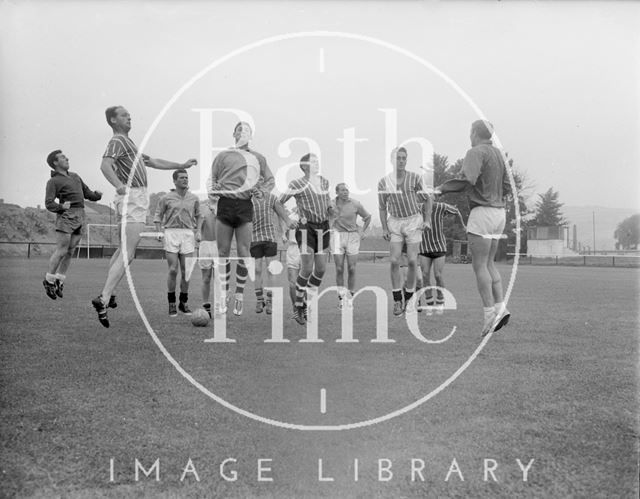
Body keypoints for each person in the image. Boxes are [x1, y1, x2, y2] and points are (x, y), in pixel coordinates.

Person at [91, 106, 197, 328]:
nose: (129, 117)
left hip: (135, 199)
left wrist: (181, 165)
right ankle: (104, 298)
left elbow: (153, 161)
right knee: (128, 253)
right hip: (133, 198)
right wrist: (119, 185)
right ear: (112, 120)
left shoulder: (129, 143)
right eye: (123, 115)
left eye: (130, 114)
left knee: (123, 250)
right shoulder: (118, 141)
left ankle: (108, 295)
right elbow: (105, 165)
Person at [435, 119, 511, 336]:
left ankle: (489, 315)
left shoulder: (476, 152)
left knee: (479, 266)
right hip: (499, 213)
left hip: (482, 213)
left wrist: (441, 189)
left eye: (470, 132)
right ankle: (500, 307)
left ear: (475, 133)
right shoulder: (499, 154)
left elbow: (467, 179)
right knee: (489, 263)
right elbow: (506, 186)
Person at [208, 121, 274, 316]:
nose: (243, 132)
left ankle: (239, 296)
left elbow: (270, 180)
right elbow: (213, 179)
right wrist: (213, 193)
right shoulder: (223, 156)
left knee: (245, 252)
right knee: (223, 252)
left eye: (247, 130)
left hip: (245, 206)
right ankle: (224, 294)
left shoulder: (258, 158)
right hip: (225, 205)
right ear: (234, 133)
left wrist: (261, 191)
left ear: (251, 136)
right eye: (240, 129)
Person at [279, 153, 335, 325]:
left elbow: (327, 203)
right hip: (306, 228)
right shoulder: (296, 183)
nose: (316, 164)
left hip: (323, 227)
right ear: (304, 166)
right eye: (312, 162)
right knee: (307, 268)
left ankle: (303, 299)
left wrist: (331, 213)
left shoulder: (324, 182)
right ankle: (299, 305)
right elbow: (279, 202)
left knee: (320, 270)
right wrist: (288, 220)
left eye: (317, 161)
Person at [378, 147, 431, 317]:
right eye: (398, 158)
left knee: (413, 260)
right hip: (395, 222)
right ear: (392, 160)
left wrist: (427, 220)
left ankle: (409, 298)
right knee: (394, 261)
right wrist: (385, 227)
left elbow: (428, 199)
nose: (401, 161)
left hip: (413, 221)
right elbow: (381, 207)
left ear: (406, 160)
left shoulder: (415, 178)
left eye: (404, 158)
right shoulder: (384, 182)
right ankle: (397, 300)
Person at [43, 150, 102, 299]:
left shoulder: (75, 176)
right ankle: (48, 281)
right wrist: (61, 207)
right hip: (66, 217)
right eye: (63, 157)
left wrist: (97, 195)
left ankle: (59, 281)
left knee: (70, 251)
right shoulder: (53, 182)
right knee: (62, 250)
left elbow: (87, 193)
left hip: (80, 215)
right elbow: (49, 203)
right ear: (55, 163)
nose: (67, 158)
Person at [153, 169, 201, 316]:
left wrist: (198, 231)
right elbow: (157, 216)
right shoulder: (166, 198)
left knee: (186, 272)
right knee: (173, 269)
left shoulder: (194, 198)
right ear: (174, 181)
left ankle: (183, 302)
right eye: (181, 178)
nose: (185, 180)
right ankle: (172, 302)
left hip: (187, 234)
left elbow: (199, 216)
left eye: (186, 177)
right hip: (171, 233)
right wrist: (159, 231)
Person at [251, 189, 295, 314]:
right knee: (257, 269)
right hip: (254, 238)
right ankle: (260, 299)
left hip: (270, 237)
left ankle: (270, 300)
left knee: (271, 270)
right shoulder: (248, 199)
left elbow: (281, 213)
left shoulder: (272, 198)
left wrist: (285, 228)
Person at [331, 183, 371, 309]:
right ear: (337, 192)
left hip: (352, 237)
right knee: (339, 269)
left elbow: (368, 217)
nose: (345, 192)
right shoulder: (331, 204)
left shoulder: (355, 204)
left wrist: (363, 231)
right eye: (342, 190)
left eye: (347, 190)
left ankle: (350, 297)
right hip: (337, 236)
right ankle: (341, 298)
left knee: (352, 268)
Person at [419, 201, 463, 315]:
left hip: (439, 246)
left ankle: (440, 301)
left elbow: (456, 211)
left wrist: (463, 226)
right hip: (424, 247)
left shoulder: (440, 206)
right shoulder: (418, 208)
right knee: (425, 275)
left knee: (438, 275)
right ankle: (429, 304)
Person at [198, 200, 218, 318]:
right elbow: (197, 222)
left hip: (220, 244)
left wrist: (216, 212)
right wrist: (198, 232)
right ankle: (206, 307)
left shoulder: (224, 207)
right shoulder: (202, 207)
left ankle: (219, 307)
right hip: (205, 244)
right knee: (206, 278)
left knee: (219, 279)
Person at [281, 206, 301, 317]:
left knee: (305, 283)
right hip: (293, 249)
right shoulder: (291, 217)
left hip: (307, 250)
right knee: (293, 283)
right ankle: (295, 309)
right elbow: (284, 230)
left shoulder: (310, 216)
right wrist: (284, 235)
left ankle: (305, 307)